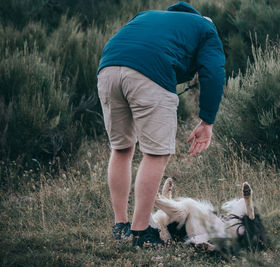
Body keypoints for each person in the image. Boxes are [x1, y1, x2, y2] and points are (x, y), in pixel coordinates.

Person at [97, 1, 225, 247]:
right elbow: (214, 72)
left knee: (122, 148)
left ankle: (120, 226)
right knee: (156, 154)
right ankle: (141, 232)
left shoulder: (149, 16)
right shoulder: (206, 29)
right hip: (149, 70)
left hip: (108, 68)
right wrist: (207, 121)